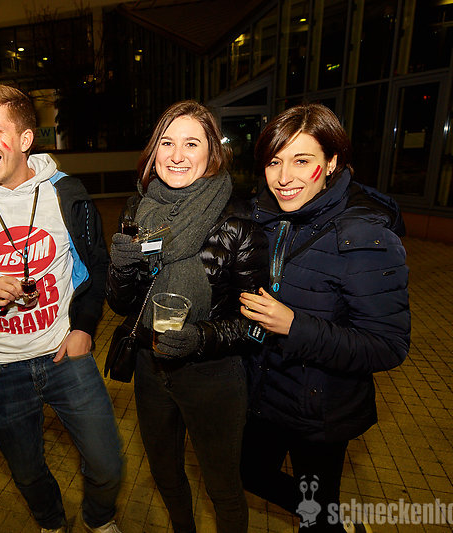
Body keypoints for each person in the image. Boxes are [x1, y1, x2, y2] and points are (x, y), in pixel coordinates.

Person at [0, 85, 122, 533]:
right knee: (25, 471)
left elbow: (97, 264)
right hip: (4, 366)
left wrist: (84, 328)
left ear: (25, 139)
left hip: (66, 354)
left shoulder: (68, 193)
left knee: (107, 463)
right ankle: (51, 522)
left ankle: (98, 518)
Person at [238, 103, 410, 533]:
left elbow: (388, 346)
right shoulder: (264, 215)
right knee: (249, 473)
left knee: (315, 514)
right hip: (265, 393)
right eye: (274, 162)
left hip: (320, 410)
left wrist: (294, 326)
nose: (283, 177)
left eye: (302, 161)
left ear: (331, 163)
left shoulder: (365, 235)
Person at [106, 100, 268, 533]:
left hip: (213, 376)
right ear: (154, 151)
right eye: (167, 143)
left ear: (212, 152)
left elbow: (257, 327)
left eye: (191, 143)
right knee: (165, 474)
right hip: (150, 366)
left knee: (223, 487)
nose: (177, 155)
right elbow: (121, 305)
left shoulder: (239, 223)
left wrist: (200, 337)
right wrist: (121, 266)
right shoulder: (136, 211)